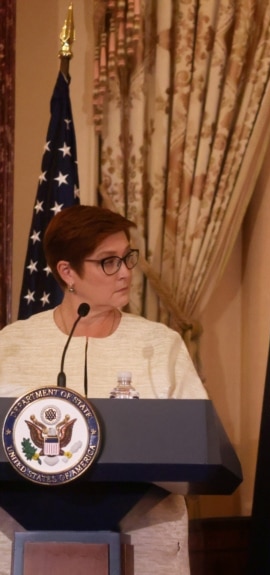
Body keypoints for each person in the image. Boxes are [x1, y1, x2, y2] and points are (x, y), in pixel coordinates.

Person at [0, 205, 207, 575]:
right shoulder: (12, 346)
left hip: (145, 543)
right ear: (68, 272)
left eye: (127, 257)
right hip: (23, 543)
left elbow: (198, 446)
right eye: (108, 262)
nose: (126, 271)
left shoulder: (160, 345)